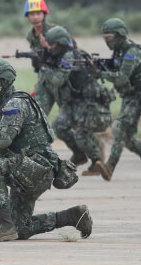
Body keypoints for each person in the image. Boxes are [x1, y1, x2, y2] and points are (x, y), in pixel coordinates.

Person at [0, 60, 91, 242]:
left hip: (35, 168)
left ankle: (3, 226)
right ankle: (72, 216)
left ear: (5, 81)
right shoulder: (11, 103)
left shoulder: (14, 105)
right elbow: (7, 139)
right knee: (22, 229)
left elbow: (2, 140)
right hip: (31, 167)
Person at [41, 26, 115, 177]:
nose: (50, 48)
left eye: (53, 44)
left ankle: (97, 161)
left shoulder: (70, 56)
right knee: (59, 126)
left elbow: (58, 80)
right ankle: (79, 154)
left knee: (82, 134)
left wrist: (45, 68)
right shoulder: (60, 55)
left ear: (61, 43)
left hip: (88, 102)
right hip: (74, 101)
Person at [98, 18, 141, 181]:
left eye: (110, 37)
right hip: (131, 96)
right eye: (105, 37)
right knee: (125, 137)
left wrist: (100, 73)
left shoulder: (131, 52)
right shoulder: (119, 52)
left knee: (119, 128)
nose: (108, 40)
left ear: (120, 35)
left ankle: (110, 167)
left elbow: (121, 78)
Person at [23, 0, 57, 115]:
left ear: (44, 14)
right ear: (27, 16)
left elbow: (69, 51)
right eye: (32, 14)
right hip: (45, 76)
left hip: (62, 75)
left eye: (38, 13)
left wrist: (49, 47)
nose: (35, 17)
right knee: (37, 113)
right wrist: (40, 79)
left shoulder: (55, 31)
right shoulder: (30, 35)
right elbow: (40, 60)